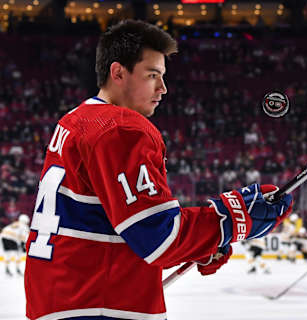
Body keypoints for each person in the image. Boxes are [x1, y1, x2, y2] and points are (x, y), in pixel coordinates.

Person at [24, 20, 293, 320]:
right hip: (99, 309)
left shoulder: (74, 121)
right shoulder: (121, 128)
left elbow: (112, 234)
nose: (163, 88)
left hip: (63, 302)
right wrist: (230, 218)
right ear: (118, 73)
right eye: (152, 76)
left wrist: (200, 244)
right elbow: (157, 238)